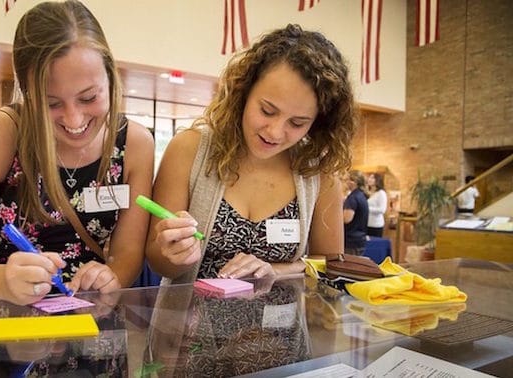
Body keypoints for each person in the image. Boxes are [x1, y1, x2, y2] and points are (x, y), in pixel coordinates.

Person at [0, 0, 154, 306]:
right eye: (51, 104)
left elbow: (127, 253)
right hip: (2, 331)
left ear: (111, 79)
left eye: (89, 97)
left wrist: (110, 276)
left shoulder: (135, 143)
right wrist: (0, 280)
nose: (74, 120)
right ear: (28, 94)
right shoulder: (1, 133)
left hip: (91, 329)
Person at [145, 24, 356, 284]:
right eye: (267, 111)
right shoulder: (189, 149)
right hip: (192, 322)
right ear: (243, 93)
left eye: (297, 123)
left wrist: (276, 270)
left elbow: (330, 265)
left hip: (285, 323)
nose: (276, 132)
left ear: (318, 121)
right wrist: (172, 253)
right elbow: (157, 261)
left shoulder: (318, 172)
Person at [343, 170, 369, 255]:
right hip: (360, 239)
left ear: (354, 182)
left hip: (351, 241)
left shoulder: (352, 197)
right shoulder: (362, 196)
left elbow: (347, 219)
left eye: (347, 180)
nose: (345, 182)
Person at [366, 172, 387, 237]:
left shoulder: (381, 193)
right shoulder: (368, 193)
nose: (369, 179)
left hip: (376, 225)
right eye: (369, 177)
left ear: (377, 180)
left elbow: (382, 210)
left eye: (372, 178)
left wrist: (366, 208)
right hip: (367, 224)